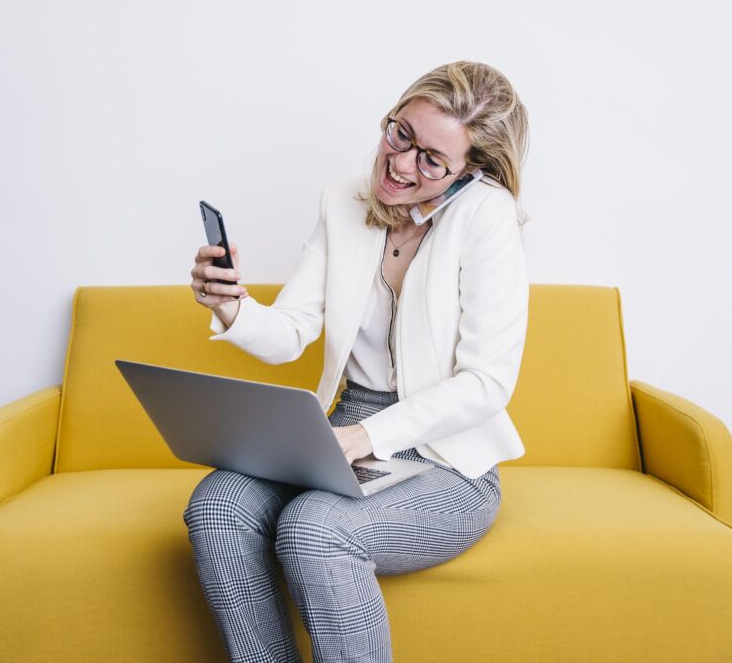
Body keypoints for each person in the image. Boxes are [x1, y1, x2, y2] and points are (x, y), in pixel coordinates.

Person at [184, 60, 530, 663]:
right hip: (345, 426)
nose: (400, 164)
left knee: (315, 529)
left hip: (449, 457)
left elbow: (486, 382)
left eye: (431, 160)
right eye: (401, 135)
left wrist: (368, 435)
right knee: (215, 508)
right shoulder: (342, 198)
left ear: (468, 172)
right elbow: (293, 330)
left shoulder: (486, 216)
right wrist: (232, 306)